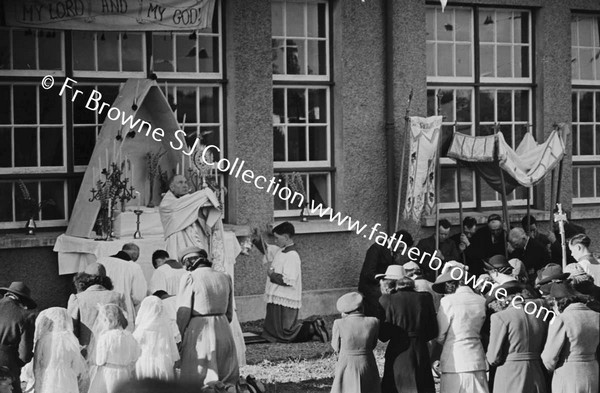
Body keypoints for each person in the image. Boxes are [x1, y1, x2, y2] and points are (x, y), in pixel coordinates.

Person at [255, 222, 327, 343]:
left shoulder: (292, 256)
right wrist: (257, 239)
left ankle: (312, 328)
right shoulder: (281, 250)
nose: (275, 241)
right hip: (276, 296)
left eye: (277, 238)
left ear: (286, 237)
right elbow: (267, 250)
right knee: (272, 330)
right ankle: (308, 329)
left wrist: (272, 275)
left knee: (286, 332)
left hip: (285, 298)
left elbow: (289, 280)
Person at [176, 246, 239, 386]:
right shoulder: (224, 276)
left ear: (188, 263)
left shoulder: (190, 277)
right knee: (224, 368)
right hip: (223, 325)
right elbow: (229, 312)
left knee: (199, 371)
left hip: (199, 327)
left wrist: (182, 332)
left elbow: (183, 312)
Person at [377, 265, 438, 393]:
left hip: (398, 350)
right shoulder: (425, 297)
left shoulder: (386, 300)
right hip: (420, 349)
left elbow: (383, 335)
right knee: (422, 386)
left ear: (390, 283)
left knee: (397, 387)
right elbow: (433, 330)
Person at [433, 265, 489, 393]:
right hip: (477, 357)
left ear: (451, 284)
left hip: (455, 359)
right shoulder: (481, 300)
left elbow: (441, 334)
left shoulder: (448, 301)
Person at [486, 290, 549, 393]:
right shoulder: (540, 315)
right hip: (536, 372)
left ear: (502, 300)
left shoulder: (500, 317)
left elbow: (493, 358)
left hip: (510, 373)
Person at [541, 282, 600, 393]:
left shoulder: (562, 319)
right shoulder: (596, 316)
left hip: (568, 373)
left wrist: (550, 369)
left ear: (555, 302)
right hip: (592, 372)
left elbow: (549, 357)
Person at [67, 263, 127, 361]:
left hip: (86, 353)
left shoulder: (77, 298)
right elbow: (124, 324)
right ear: (106, 280)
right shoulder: (117, 296)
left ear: (83, 279)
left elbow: (71, 327)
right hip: (112, 352)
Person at [158, 174, 223, 259]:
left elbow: (212, 207)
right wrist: (207, 190)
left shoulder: (190, 200)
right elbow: (205, 194)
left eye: (185, 182)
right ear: (172, 187)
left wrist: (209, 223)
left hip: (194, 240)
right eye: (180, 183)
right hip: (176, 242)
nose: (185, 185)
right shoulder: (166, 204)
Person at [330, 292, 380, 393]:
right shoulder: (374, 322)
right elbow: (373, 344)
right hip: (367, 362)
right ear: (362, 306)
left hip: (346, 362)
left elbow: (336, 347)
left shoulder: (339, 323)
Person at [358, 230, 413, 319]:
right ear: (396, 241)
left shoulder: (391, 249)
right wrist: (384, 282)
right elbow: (369, 272)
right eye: (401, 247)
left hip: (385, 287)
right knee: (381, 311)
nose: (401, 251)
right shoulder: (376, 248)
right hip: (372, 286)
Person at [88, 304, 141, 393]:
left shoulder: (105, 337)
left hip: (108, 374)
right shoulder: (130, 336)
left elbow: (100, 361)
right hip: (125, 373)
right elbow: (135, 356)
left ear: (108, 320)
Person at [32, 307, 87, 393]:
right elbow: (76, 366)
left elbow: (37, 364)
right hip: (68, 377)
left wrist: (37, 381)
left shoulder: (43, 340)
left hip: (48, 376)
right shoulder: (71, 339)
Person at [97, 243, 147, 330]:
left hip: (101, 307)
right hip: (123, 311)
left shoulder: (101, 261)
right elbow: (138, 296)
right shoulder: (134, 267)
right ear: (135, 255)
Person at [0, 282, 36, 393]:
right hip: (7, 362)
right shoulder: (25, 316)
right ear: (22, 300)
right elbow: (24, 354)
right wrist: (17, 363)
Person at [133, 296, 179, 380]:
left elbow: (134, 346)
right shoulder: (166, 327)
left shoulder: (142, 329)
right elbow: (172, 347)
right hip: (163, 363)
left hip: (144, 364)